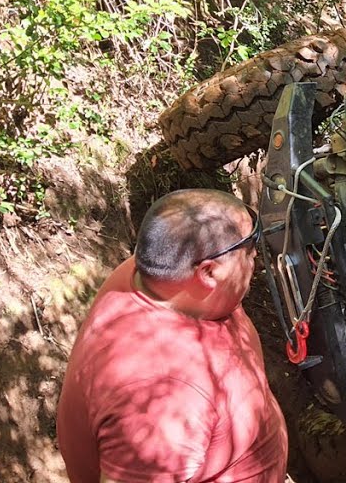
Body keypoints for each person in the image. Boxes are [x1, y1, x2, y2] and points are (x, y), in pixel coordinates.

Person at [57, 189, 288, 483]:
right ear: (208, 273)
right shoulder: (161, 400)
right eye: (248, 248)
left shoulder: (149, 278)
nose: (256, 254)